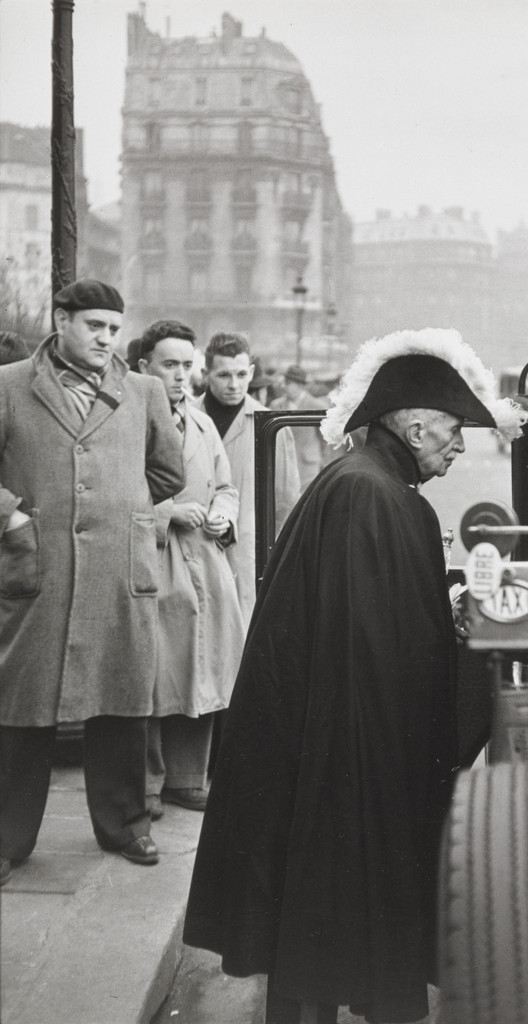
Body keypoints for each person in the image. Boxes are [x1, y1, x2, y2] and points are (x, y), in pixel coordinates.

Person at [183, 327, 527, 1023]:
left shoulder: (365, 482)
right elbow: (379, 645)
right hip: (351, 752)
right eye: (454, 430)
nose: (459, 446)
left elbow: (380, 621)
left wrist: (445, 611)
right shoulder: (375, 495)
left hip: (330, 738)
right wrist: (463, 646)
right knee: (338, 913)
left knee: (314, 933)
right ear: (415, 422)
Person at [0, 279, 184, 886]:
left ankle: (127, 825)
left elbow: (166, 471)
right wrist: (13, 514)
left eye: (114, 328)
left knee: (123, 699)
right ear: (61, 320)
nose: (107, 338)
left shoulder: (143, 390)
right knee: (21, 704)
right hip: (36, 566)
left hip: (116, 568)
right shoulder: (9, 386)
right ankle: (7, 840)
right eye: (94, 326)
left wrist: (120, 509)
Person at [137, 320, 245, 817]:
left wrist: (225, 513)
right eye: (169, 365)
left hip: (205, 556)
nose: (181, 376)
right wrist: (166, 513)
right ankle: (148, 784)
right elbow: (114, 494)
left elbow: (225, 484)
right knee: (157, 673)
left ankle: (187, 777)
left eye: (187, 365)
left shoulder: (200, 423)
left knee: (205, 665)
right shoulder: (129, 420)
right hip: (155, 560)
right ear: (144, 368)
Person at [197, 332, 300, 626]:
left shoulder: (271, 425)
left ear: (252, 373)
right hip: (194, 550)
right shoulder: (184, 418)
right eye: (224, 375)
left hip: (248, 558)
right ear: (206, 375)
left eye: (241, 374)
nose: (234, 384)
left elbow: (286, 504)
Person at [270, 364, 328, 490]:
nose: (284, 386)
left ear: (300, 385)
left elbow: (325, 439)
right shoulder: (276, 405)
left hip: (308, 467)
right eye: (285, 382)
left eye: (288, 383)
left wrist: (321, 459)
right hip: (283, 465)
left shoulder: (317, 406)